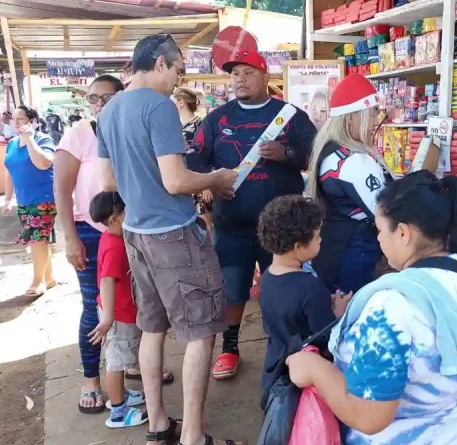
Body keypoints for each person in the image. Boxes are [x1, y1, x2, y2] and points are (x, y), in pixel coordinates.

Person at [286, 171, 457, 444]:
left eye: (379, 229)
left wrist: (314, 368)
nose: (377, 239)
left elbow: (369, 417)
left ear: (403, 233)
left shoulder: (393, 306)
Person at [97, 34, 239, 445]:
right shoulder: (158, 107)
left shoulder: (110, 111)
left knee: (152, 327)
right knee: (201, 331)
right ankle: (193, 437)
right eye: (178, 68)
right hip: (173, 234)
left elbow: (108, 182)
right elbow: (176, 180)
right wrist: (216, 178)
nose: (179, 79)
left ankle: (158, 425)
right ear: (160, 63)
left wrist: (141, 183)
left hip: (136, 234)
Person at [192, 50, 317, 380]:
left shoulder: (290, 116)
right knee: (232, 289)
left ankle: (291, 348)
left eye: (248, 72)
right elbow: (195, 160)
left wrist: (286, 153)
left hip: (281, 229)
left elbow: (314, 155)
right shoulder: (217, 119)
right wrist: (207, 184)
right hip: (231, 225)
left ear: (265, 77)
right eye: (235, 74)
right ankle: (230, 348)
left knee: (285, 290)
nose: (240, 79)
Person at [55, 74, 175, 415]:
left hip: (137, 227)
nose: (98, 105)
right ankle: (92, 378)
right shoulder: (79, 134)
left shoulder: (131, 128)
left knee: (137, 300)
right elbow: (61, 191)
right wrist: (70, 238)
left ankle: (133, 364)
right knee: (98, 307)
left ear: (122, 98)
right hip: (95, 234)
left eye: (105, 98)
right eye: (93, 99)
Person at [306, 74, 391, 295]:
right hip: (356, 254)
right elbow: (386, 212)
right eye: (372, 113)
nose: (375, 121)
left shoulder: (330, 151)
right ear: (353, 117)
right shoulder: (354, 161)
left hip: (332, 251)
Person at [256, 195, 349, 392]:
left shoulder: (267, 277)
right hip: (303, 378)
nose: (320, 239)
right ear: (299, 247)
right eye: (316, 237)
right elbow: (326, 338)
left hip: (276, 367)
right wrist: (338, 314)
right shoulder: (310, 289)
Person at [87, 191, 148, 428]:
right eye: (125, 212)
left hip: (120, 312)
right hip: (119, 315)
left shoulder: (112, 237)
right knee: (116, 362)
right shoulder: (114, 247)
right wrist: (109, 319)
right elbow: (106, 281)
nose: (129, 214)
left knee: (119, 359)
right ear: (114, 218)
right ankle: (119, 412)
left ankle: (119, 393)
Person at [2, 106, 58, 298]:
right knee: (40, 239)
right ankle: (48, 277)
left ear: (32, 121)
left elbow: (44, 163)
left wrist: (30, 138)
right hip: (24, 198)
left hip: (43, 197)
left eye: (21, 119)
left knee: (36, 239)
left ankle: (38, 281)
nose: (16, 123)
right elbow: (10, 172)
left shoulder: (43, 139)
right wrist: (8, 198)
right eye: (14, 119)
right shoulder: (12, 144)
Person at [173, 87, 214, 240]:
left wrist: (207, 185)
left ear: (181, 102)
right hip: (184, 181)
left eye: (174, 102)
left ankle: (211, 257)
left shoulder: (201, 126)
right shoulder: (177, 126)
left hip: (200, 182)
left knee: (206, 222)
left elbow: (206, 156)